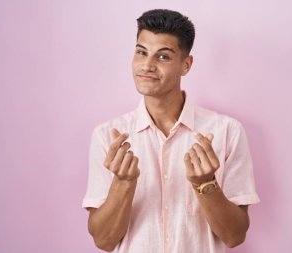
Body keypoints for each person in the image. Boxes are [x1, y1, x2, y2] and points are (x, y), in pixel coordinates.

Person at [82, 9, 260, 253]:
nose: (147, 65)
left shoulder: (227, 131)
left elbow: (235, 236)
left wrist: (206, 184)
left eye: (163, 57)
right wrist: (123, 183)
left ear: (186, 64)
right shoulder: (108, 136)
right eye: (141, 52)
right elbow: (104, 240)